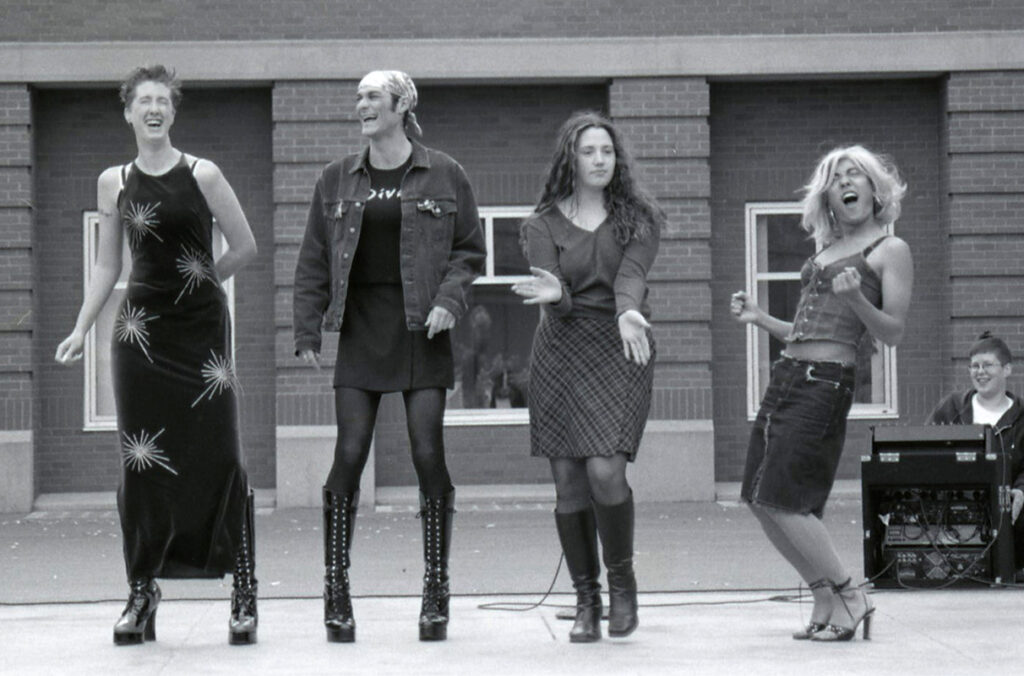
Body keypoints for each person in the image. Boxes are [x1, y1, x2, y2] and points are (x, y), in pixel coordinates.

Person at [55, 65, 259, 646]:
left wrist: (202, 279)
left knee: (220, 456)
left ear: (173, 111)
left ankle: (243, 590)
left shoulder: (204, 174)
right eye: (142, 101)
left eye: (162, 101)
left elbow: (244, 246)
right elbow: (107, 265)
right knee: (142, 468)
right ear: (128, 112)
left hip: (201, 336)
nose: (152, 109)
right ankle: (142, 591)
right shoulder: (113, 181)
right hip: (140, 336)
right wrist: (80, 328)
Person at [293, 70, 485, 643]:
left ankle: (435, 592)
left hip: (422, 329)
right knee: (349, 452)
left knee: (428, 453)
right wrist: (308, 328)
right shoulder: (335, 179)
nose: (361, 105)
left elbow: (470, 250)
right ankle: (336, 590)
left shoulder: (445, 173)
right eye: (359, 98)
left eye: (372, 96)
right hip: (360, 330)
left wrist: (451, 299)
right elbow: (313, 258)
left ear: (401, 105)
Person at [730, 145, 913, 641]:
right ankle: (823, 594)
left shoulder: (889, 250)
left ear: (875, 190)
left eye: (856, 175)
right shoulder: (824, 250)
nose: (847, 183)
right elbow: (807, 332)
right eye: (837, 178)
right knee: (758, 497)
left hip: (825, 384)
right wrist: (760, 318)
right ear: (828, 197)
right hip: (788, 375)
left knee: (786, 499)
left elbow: (893, 332)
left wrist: (855, 296)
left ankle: (852, 594)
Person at [512, 111, 662, 643]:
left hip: (622, 343)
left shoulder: (638, 218)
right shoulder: (541, 225)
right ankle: (585, 600)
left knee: (605, 471)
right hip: (560, 352)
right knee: (569, 483)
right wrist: (558, 296)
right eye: (589, 152)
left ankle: (622, 585)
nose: (600, 160)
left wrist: (626, 311)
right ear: (570, 160)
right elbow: (552, 294)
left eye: (607, 151)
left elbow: (632, 275)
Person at [927, 331, 1024, 574]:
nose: (980, 372)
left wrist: (1021, 490)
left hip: (1011, 506)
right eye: (974, 366)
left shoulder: (1022, 416)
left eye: (988, 365)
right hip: (954, 501)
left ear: (1007, 370)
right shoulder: (951, 407)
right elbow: (926, 449)